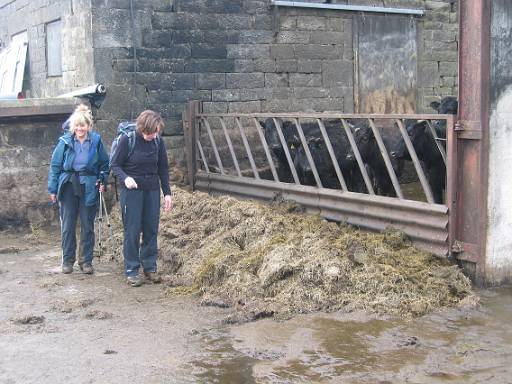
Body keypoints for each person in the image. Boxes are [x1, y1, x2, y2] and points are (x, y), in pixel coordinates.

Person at [110, 110, 173, 287]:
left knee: (151, 229)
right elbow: (114, 164)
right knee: (132, 230)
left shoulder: (158, 142)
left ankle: (150, 267)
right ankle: (132, 270)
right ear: (142, 128)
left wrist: (167, 193)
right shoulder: (127, 140)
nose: (152, 136)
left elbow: (163, 168)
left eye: (155, 132)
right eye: (149, 133)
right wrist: (126, 178)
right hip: (131, 192)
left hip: (152, 190)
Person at [48, 104, 109, 274]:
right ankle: (67, 261)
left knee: (87, 225)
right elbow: (55, 166)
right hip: (68, 185)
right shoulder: (65, 142)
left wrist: (102, 178)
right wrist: (52, 189)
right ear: (72, 126)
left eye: (83, 125)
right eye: (77, 125)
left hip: (89, 186)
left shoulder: (96, 141)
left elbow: (105, 163)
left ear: (89, 126)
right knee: (68, 225)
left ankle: (86, 261)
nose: (79, 128)